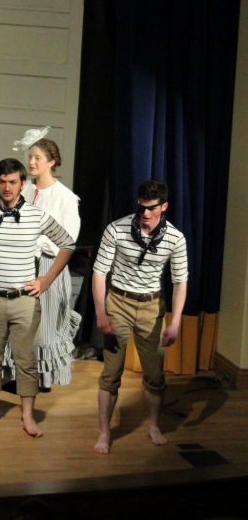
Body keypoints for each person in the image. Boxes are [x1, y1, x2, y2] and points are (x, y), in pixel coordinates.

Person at [0, 159, 75, 438]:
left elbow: (68, 243)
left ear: (22, 184)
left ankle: (27, 417)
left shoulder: (35, 214)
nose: (7, 187)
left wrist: (47, 279)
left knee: (25, 360)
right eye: (2, 181)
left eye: (13, 181)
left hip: (24, 299)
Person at [91, 180, 187, 454]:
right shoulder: (117, 229)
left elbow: (180, 281)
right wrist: (101, 312)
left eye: (151, 208)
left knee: (155, 374)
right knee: (111, 373)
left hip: (151, 307)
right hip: (118, 301)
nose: (145, 214)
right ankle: (104, 433)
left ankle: (154, 424)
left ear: (164, 207)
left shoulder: (175, 238)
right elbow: (100, 272)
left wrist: (176, 322)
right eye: (141, 207)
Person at [22, 134, 81, 388]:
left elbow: (68, 238)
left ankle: (43, 378)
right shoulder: (24, 189)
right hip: (23, 261)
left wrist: (39, 242)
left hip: (49, 264)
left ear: (51, 162)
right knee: (22, 320)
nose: (32, 162)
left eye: (38, 158)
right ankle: (19, 374)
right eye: (31, 157)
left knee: (47, 322)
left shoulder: (64, 197)